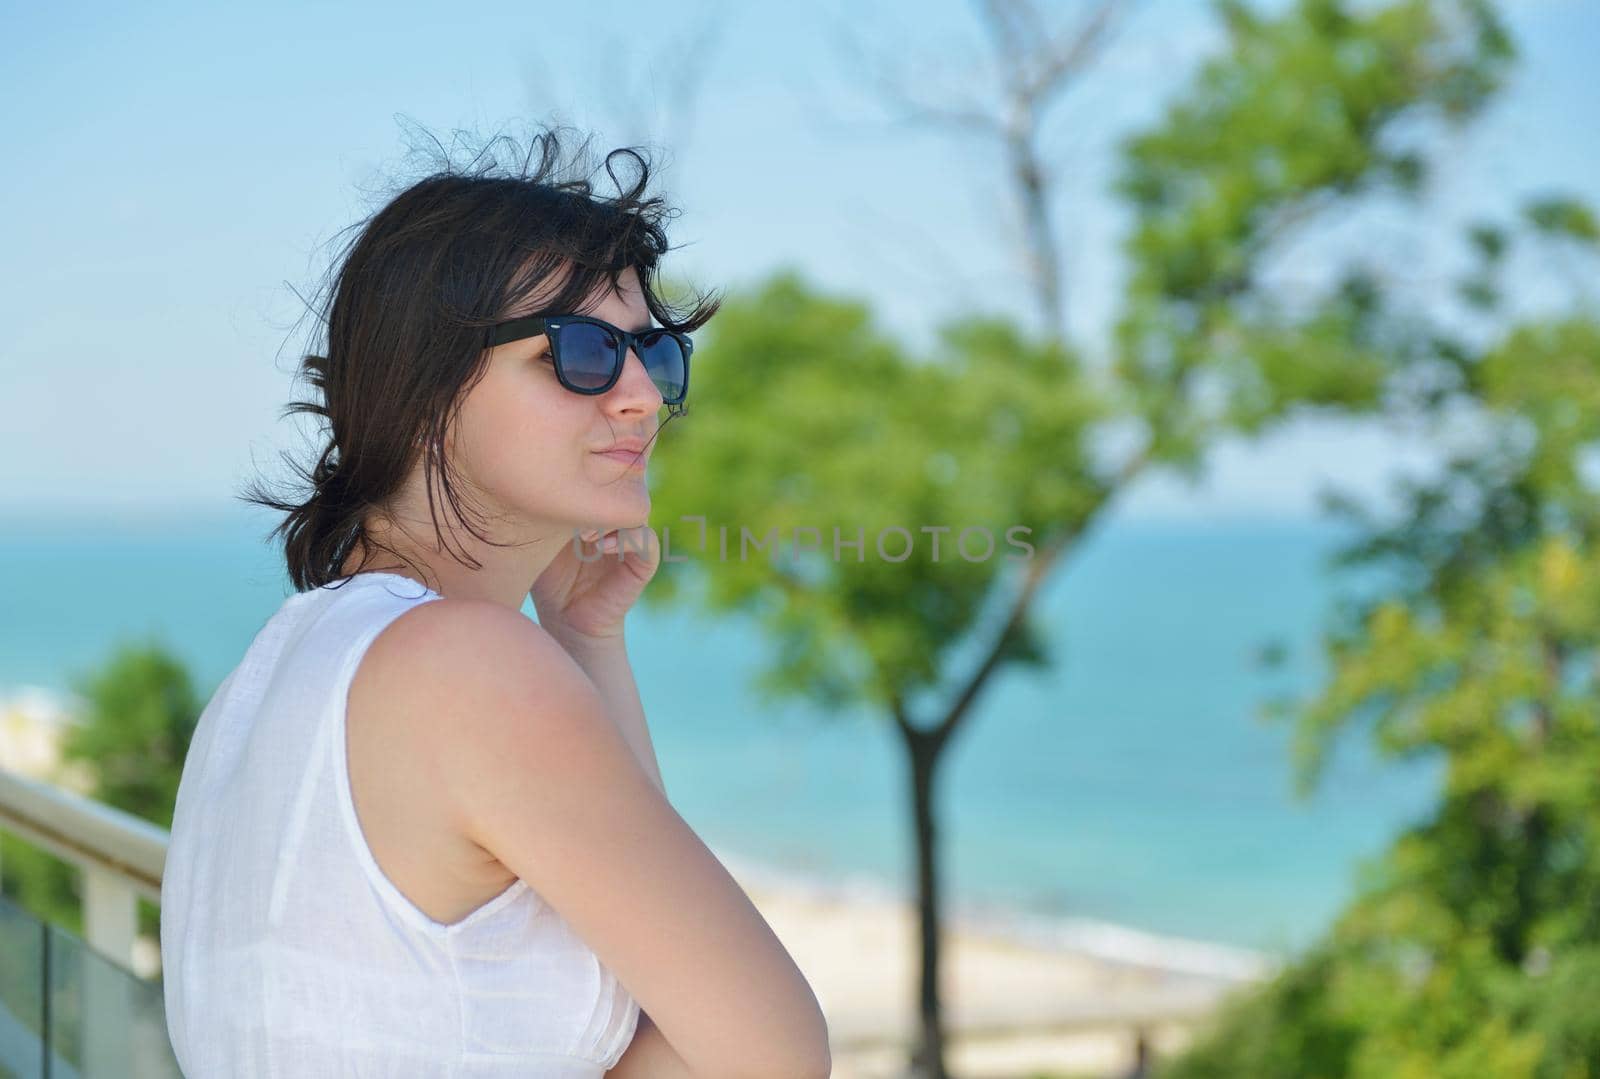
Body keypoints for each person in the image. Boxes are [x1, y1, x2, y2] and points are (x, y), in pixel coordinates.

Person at [159, 124, 833, 1078]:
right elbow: (772, 1056)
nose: (641, 395)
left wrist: (586, 637)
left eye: (656, 354)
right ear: (425, 383)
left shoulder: (267, 679)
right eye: (586, 351)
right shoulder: (468, 668)